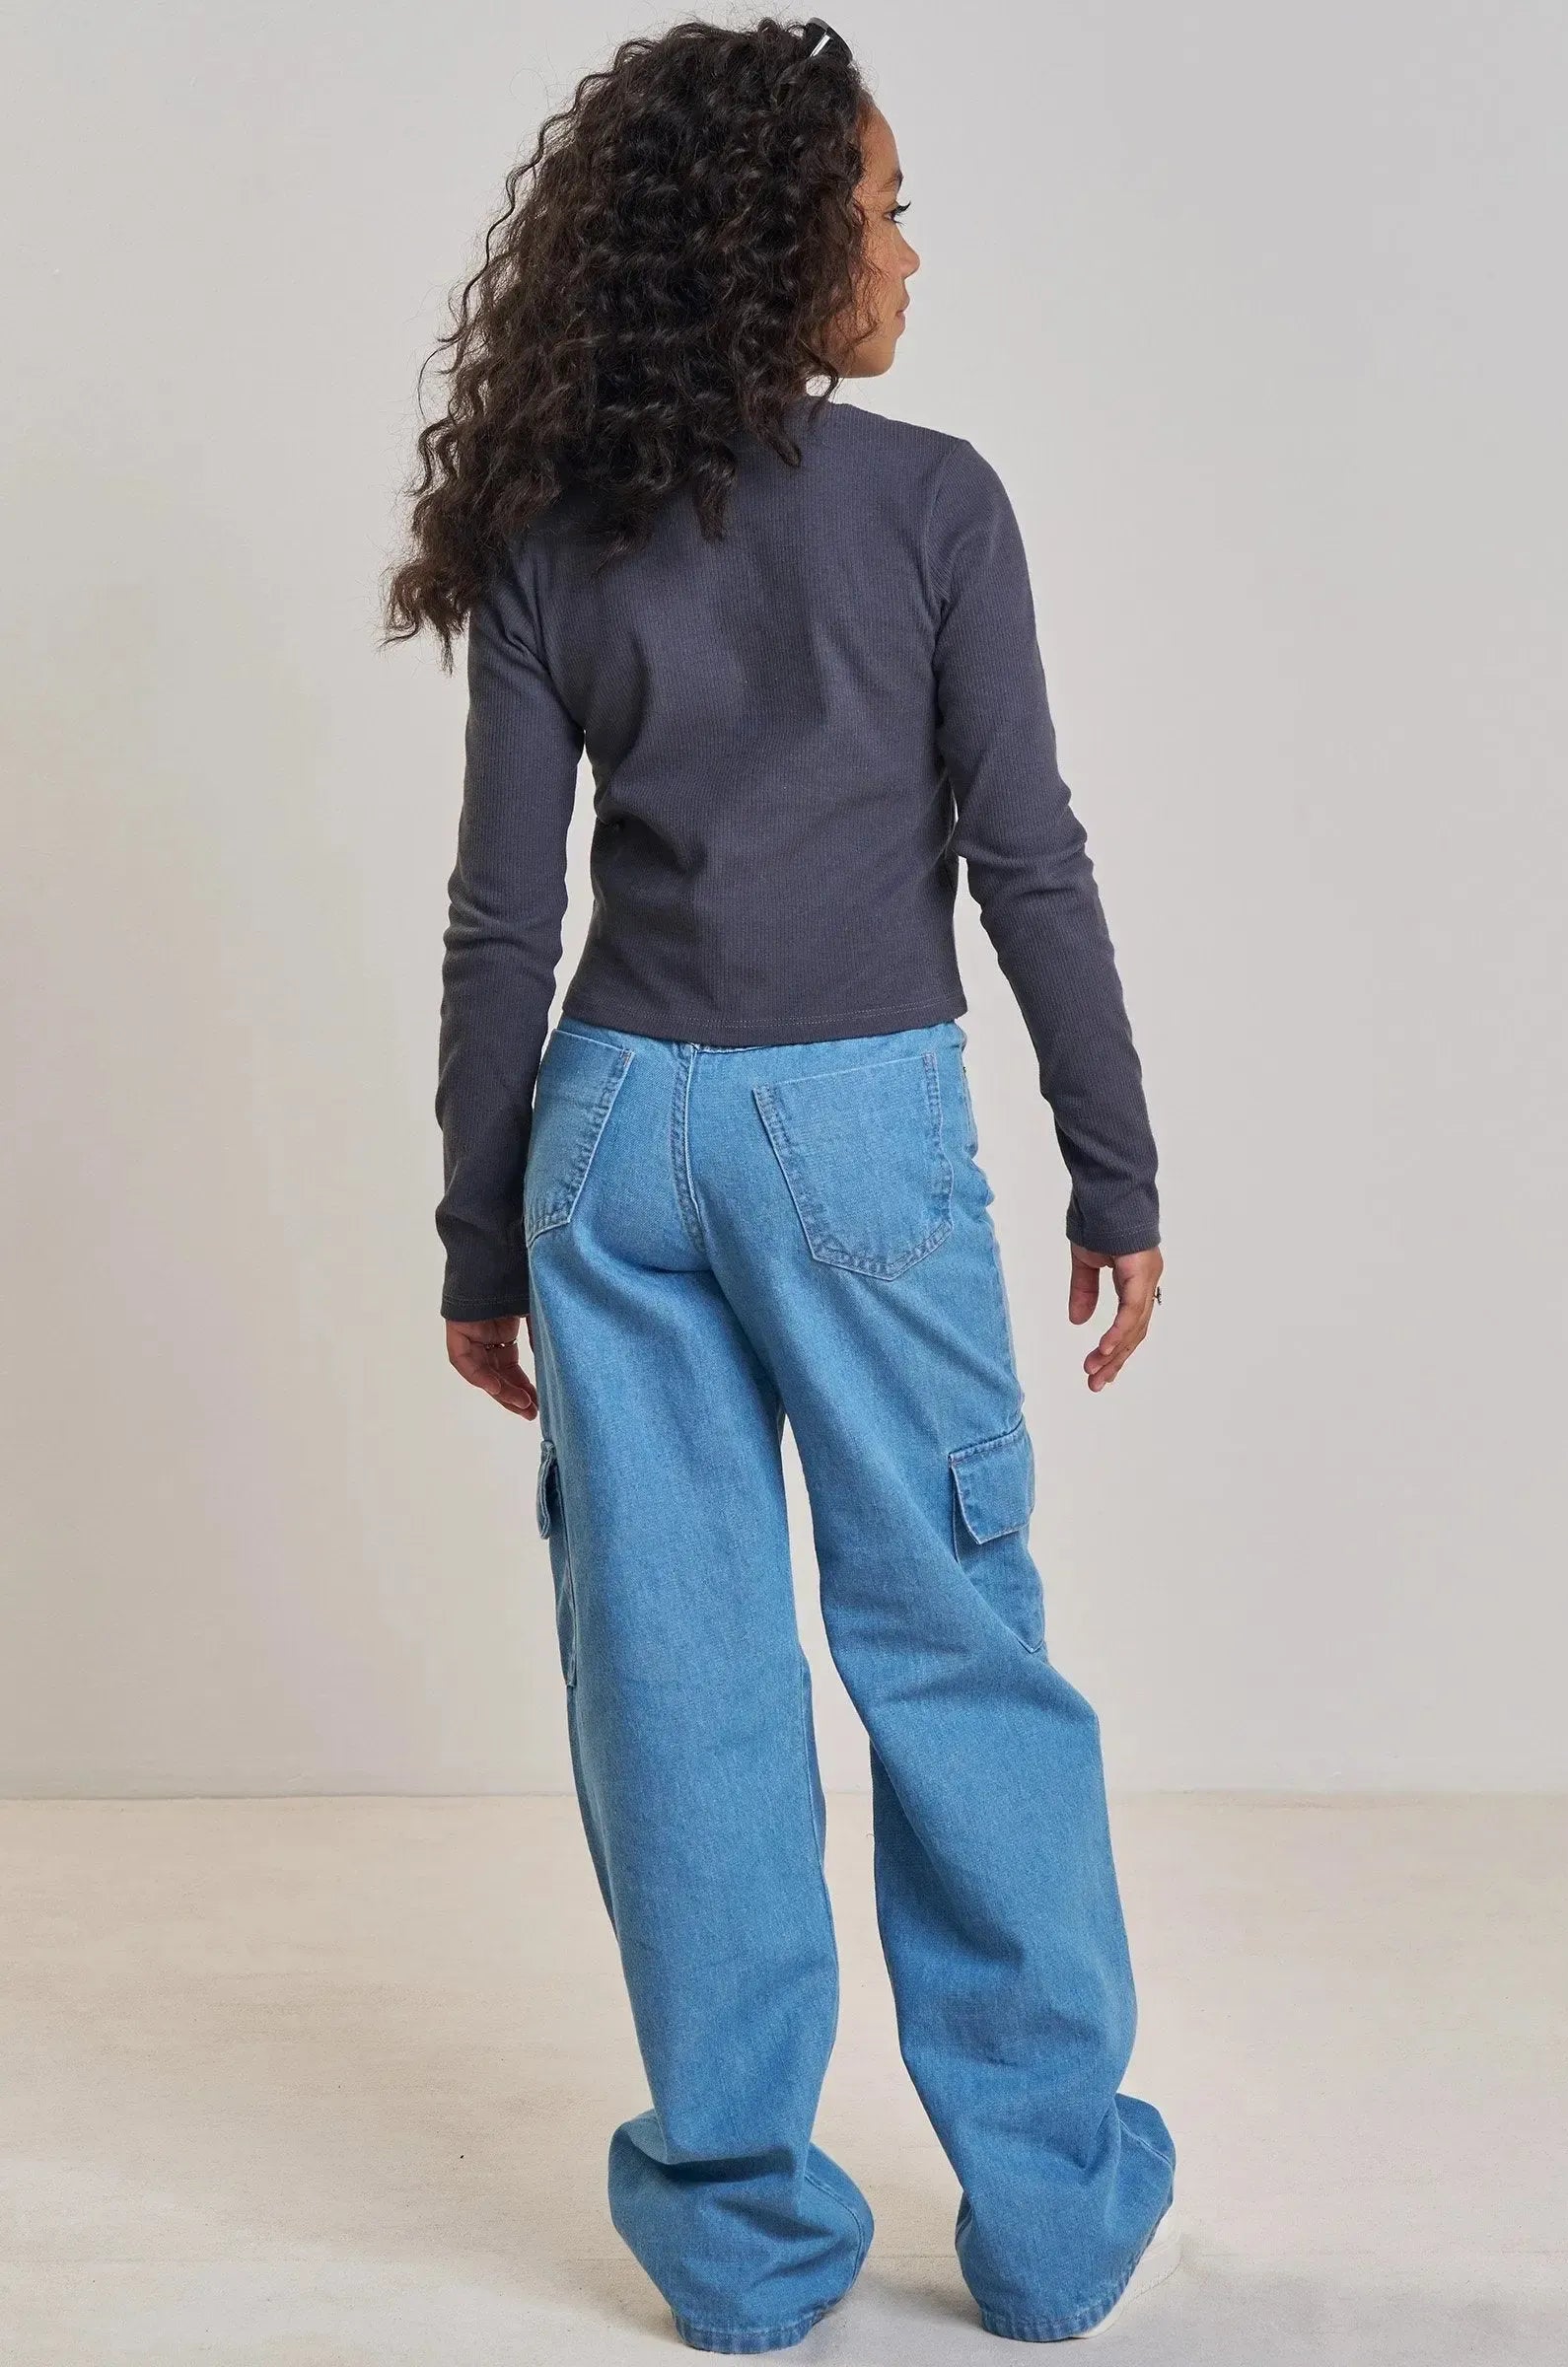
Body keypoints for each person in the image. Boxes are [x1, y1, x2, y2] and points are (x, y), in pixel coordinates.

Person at [387, 15, 1177, 2351]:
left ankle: (738, 2244)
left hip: (610, 1143)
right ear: (772, 248)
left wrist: (476, 1229)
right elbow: (1025, 858)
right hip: (854, 1136)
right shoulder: (932, 504)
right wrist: (1113, 1168)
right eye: (883, 209)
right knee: (951, 1646)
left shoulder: (553, 535)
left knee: (680, 1688)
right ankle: (1046, 2223)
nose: (909, 254)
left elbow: (501, 922)